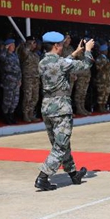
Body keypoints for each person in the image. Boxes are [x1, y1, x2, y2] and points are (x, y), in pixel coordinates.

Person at [34, 32, 94, 191]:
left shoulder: (42, 62)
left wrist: (75, 53)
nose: (62, 47)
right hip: (61, 107)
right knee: (60, 146)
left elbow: (62, 63)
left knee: (61, 142)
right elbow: (86, 66)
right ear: (56, 46)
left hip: (47, 107)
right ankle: (43, 177)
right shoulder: (61, 63)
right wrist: (87, 50)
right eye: (61, 45)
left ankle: (73, 174)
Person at [0, 38, 22, 124]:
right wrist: (5, 48)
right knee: (7, 100)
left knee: (15, 100)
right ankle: (6, 115)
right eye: (12, 45)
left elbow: (19, 68)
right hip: (8, 81)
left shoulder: (15, 55)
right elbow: (1, 58)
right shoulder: (5, 55)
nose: (13, 47)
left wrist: (20, 79)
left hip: (16, 81)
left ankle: (11, 114)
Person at [18, 36, 40, 122]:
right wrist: (28, 45)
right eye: (33, 43)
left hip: (35, 78)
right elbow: (24, 54)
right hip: (28, 78)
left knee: (35, 97)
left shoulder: (35, 54)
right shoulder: (24, 51)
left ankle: (31, 114)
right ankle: (25, 114)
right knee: (28, 96)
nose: (35, 45)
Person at [94, 43, 110, 113]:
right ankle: (100, 107)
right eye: (105, 50)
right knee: (101, 93)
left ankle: (104, 106)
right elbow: (98, 68)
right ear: (102, 51)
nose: (106, 51)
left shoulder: (106, 58)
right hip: (101, 79)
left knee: (106, 93)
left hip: (107, 79)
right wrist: (107, 65)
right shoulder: (99, 58)